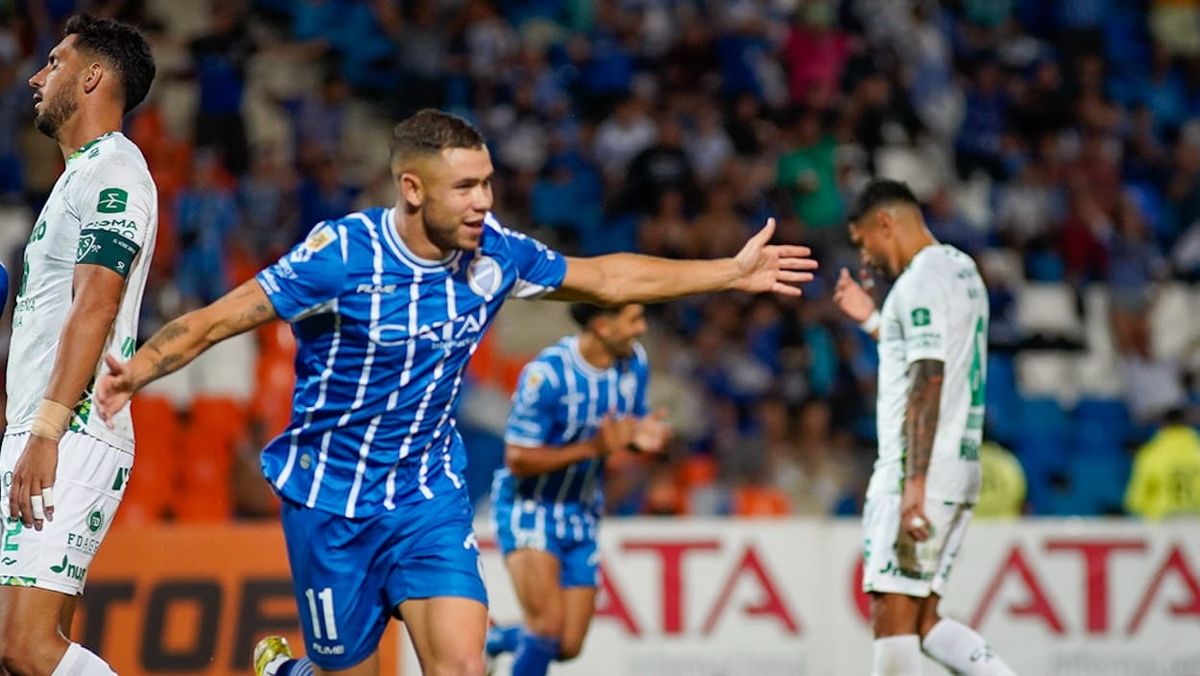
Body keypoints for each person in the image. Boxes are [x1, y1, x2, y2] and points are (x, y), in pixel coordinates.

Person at [94, 109, 817, 676]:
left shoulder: (495, 254)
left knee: (465, 665)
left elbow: (606, 277)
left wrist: (728, 272)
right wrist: (140, 369)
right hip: (331, 503)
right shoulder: (341, 255)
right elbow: (221, 318)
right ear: (413, 189)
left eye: (487, 183)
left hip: (427, 497)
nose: (483, 202)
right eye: (466, 188)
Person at [0, 14, 156, 676]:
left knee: (26, 648)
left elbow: (97, 303)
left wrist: (46, 429)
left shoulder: (115, 171)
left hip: (73, 429)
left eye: (55, 62)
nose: (37, 77)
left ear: (92, 77)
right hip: (44, 427)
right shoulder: (78, 176)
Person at [833, 179, 1014, 676]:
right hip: (959, 466)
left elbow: (928, 379)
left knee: (891, 619)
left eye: (863, 242)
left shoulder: (918, 283)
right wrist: (873, 322)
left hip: (917, 472)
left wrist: (913, 484)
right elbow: (933, 356)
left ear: (884, 224)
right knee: (924, 621)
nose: (865, 258)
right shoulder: (962, 269)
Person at [486, 303, 669, 675]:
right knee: (545, 627)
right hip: (530, 506)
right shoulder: (547, 374)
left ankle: (497, 639)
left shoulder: (634, 362)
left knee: (567, 644)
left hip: (581, 510)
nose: (642, 328)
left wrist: (640, 439)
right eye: (633, 319)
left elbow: (626, 429)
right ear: (603, 325)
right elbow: (518, 458)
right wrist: (593, 449)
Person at [1125, 408, 1200, 519]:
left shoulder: (1151, 453)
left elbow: (1136, 499)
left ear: (1163, 426)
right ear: (1189, 425)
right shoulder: (1197, 448)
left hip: (1163, 520)